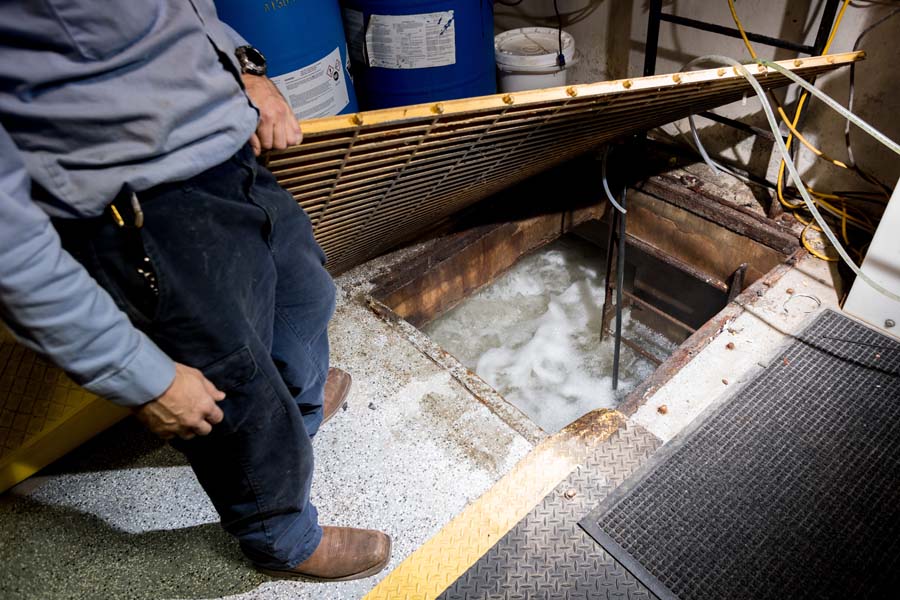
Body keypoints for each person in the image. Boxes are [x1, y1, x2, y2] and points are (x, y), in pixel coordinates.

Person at [0, 0, 391, 582]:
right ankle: (280, 536)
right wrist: (139, 376)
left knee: (305, 298)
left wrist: (242, 69)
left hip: (229, 155)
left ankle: (295, 419)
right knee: (236, 389)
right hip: (137, 206)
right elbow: (8, 248)